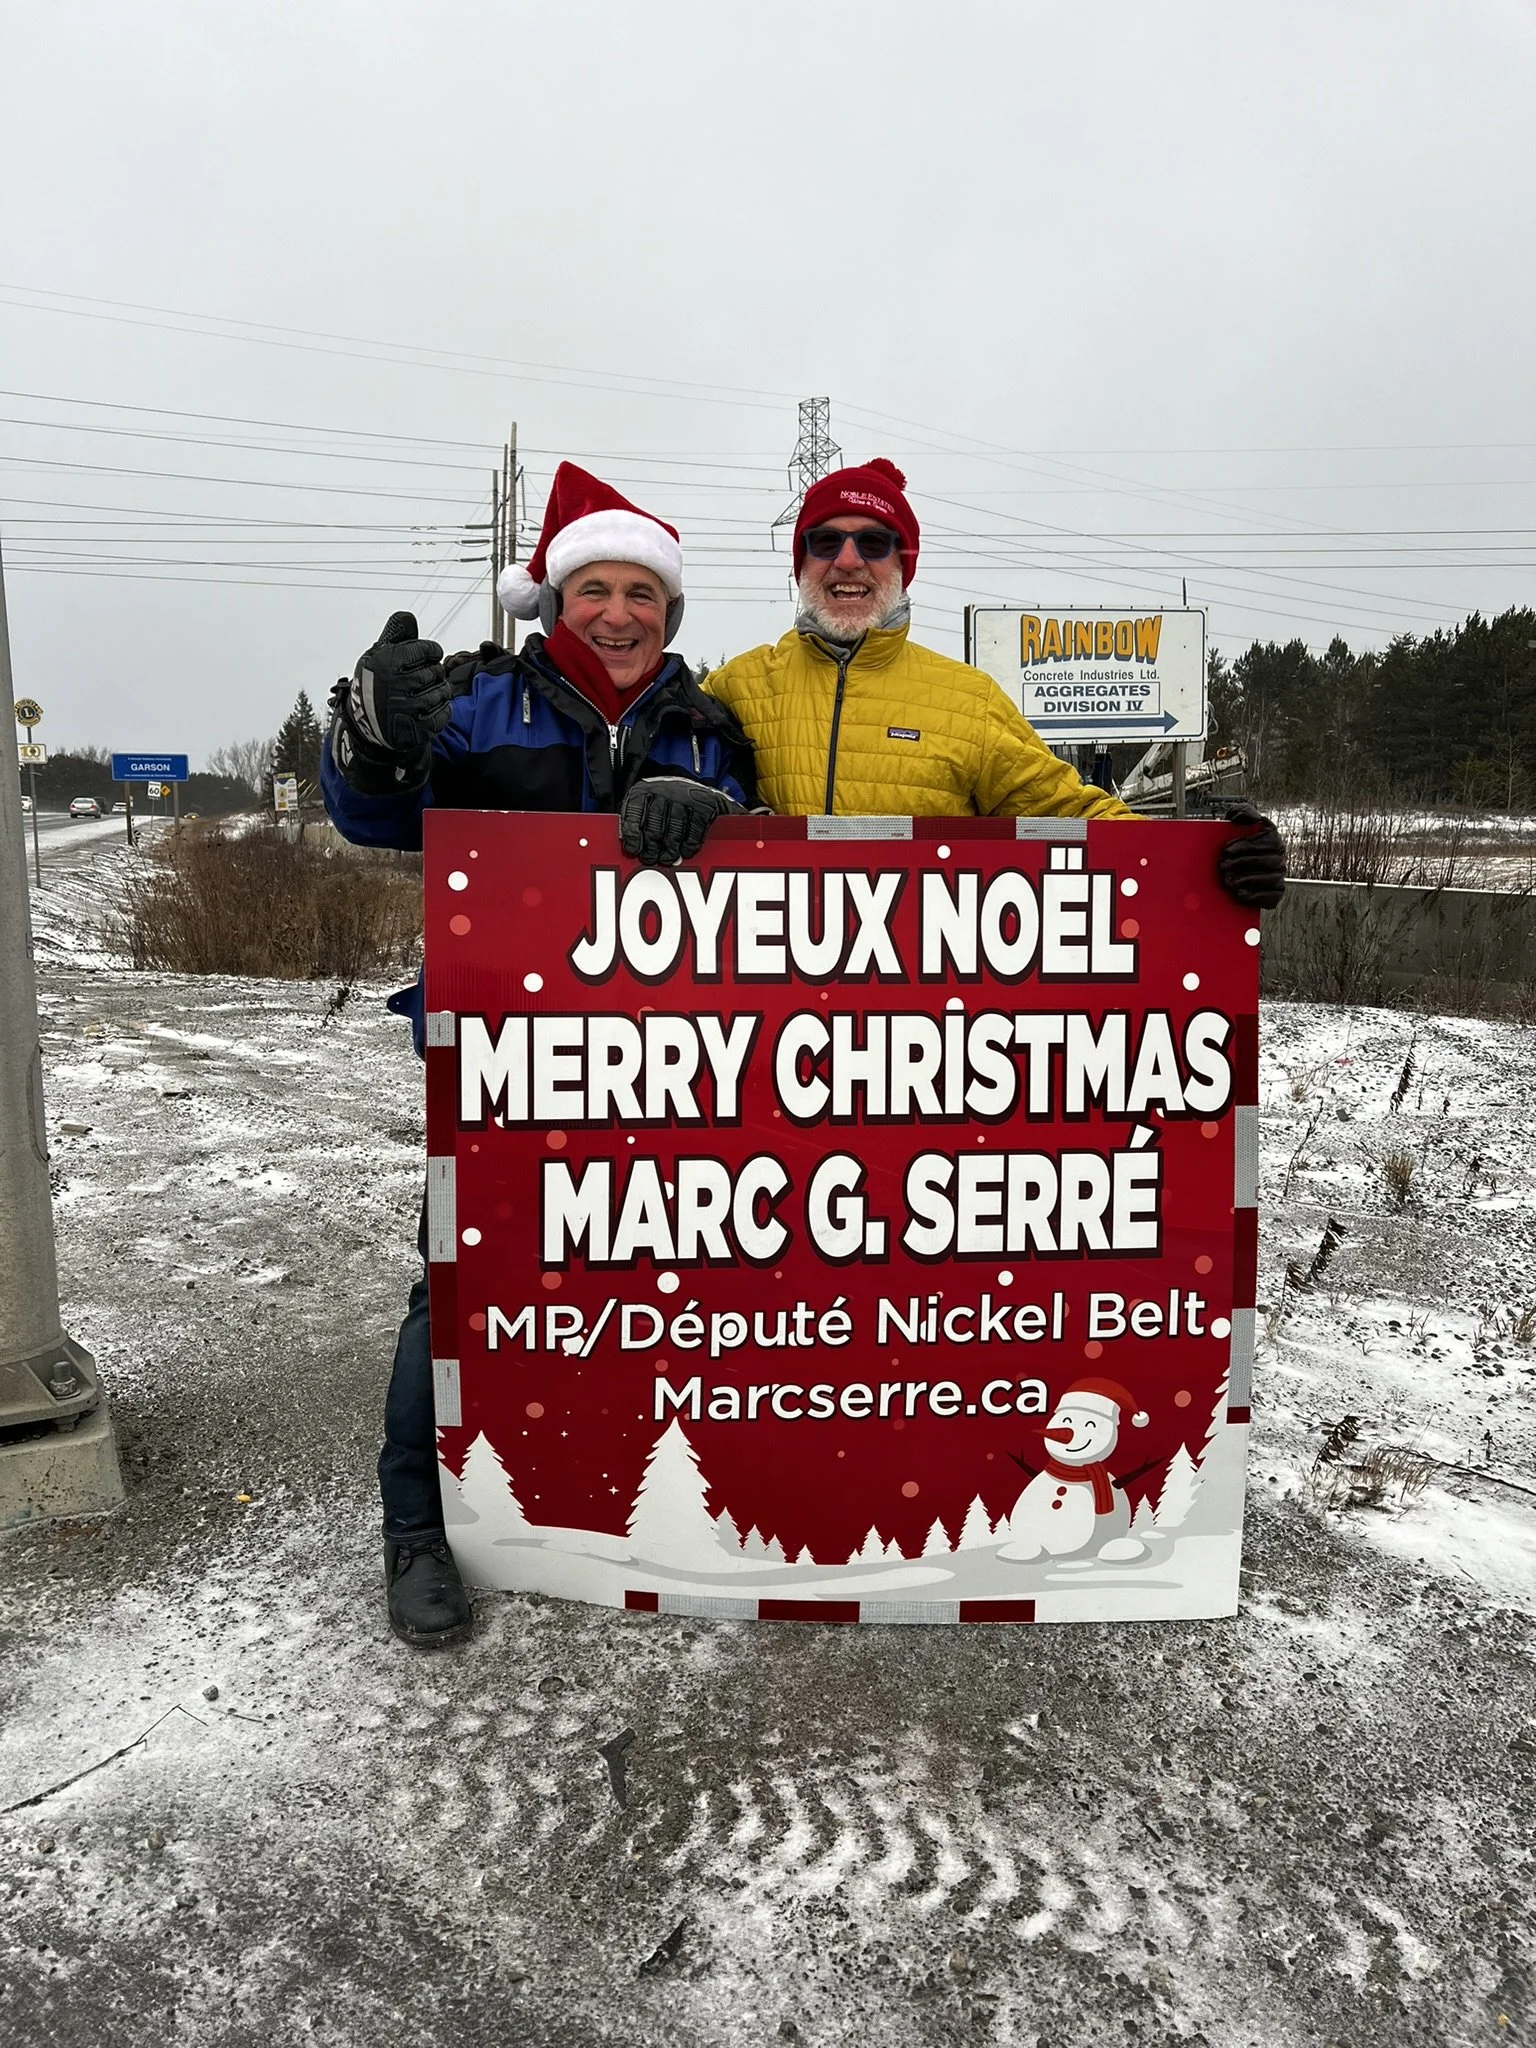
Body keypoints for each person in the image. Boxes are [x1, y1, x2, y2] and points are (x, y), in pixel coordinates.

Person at [322, 463, 758, 1646]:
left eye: (644, 595)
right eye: (594, 590)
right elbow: (369, 813)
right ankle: (417, 1528)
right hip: (504, 1061)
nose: (619, 613)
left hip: (676, 1071)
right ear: (554, 599)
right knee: (459, 1291)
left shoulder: (709, 727)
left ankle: (624, 1495)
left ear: (671, 613)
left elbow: (773, 885)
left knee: (659, 1291)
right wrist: (368, 739)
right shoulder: (475, 703)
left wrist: (710, 817)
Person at [704, 458, 1285, 907]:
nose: (848, 560)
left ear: (903, 566)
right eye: (825, 541)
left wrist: (1208, 856)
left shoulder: (968, 702)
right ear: (800, 563)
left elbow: (1071, 812)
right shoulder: (739, 687)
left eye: (874, 543)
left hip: (914, 1021)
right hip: (771, 1018)